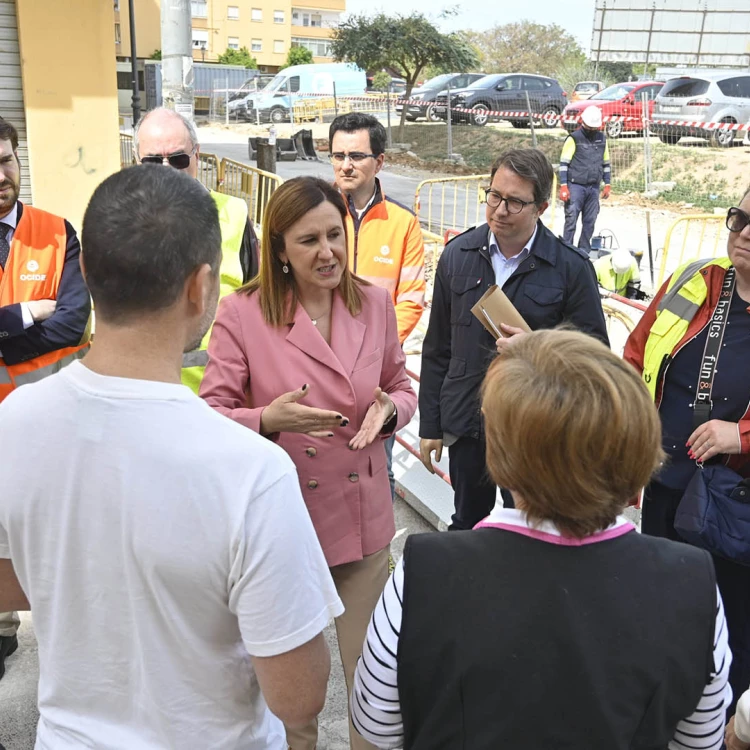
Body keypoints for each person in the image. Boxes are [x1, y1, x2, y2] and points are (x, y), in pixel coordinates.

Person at [0, 165, 342, 747]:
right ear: (199, 286)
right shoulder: (249, 471)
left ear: (85, 270)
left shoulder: (13, 424)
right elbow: (299, 696)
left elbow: (11, 587)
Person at [353, 328, 732, 750]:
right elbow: (699, 740)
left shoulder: (423, 571)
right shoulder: (693, 585)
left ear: (499, 455)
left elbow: (375, 729)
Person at [200, 176, 417, 750]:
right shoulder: (242, 313)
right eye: (308, 241)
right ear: (278, 250)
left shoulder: (373, 300)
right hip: (283, 524)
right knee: (292, 692)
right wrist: (268, 420)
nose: (327, 253)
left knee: (371, 684)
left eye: (334, 236)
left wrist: (392, 409)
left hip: (363, 518)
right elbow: (210, 412)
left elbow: (400, 381)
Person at [419, 148, 608, 531]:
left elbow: (597, 360)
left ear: (540, 206)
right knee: (466, 523)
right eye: (494, 195)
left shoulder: (570, 269)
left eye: (515, 202)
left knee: (530, 528)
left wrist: (537, 351)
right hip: (467, 421)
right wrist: (431, 425)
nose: (500, 210)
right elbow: (437, 347)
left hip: (532, 427)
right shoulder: (458, 255)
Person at [624, 191, 750, 713]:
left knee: (733, 628)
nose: (744, 232)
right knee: (660, 610)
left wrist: (739, 436)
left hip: (734, 505)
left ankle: (727, 724)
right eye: (740, 218)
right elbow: (635, 356)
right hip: (665, 484)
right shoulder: (695, 280)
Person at [0, 118, 91, 680]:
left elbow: (72, 325)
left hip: (45, 422)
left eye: (5, 160)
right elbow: (44, 320)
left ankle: (69, 626)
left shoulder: (56, 232)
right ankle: (3, 628)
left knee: (55, 533)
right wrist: (20, 316)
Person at [329, 112, 426, 498]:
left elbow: (412, 300)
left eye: (356, 155)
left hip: (376, 371)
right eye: (338, 156)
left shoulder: (402, 223)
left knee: (375, 469)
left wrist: (370, 351)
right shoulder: (314, 212)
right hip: (317, 361)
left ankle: (377, 555)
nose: (345, 165)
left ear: (379, 162)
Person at [134, 107, 259, 392]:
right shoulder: (119, 222)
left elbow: (257, 306)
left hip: (222, 399)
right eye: (153, 161)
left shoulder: (235, 215)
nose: (167, 171)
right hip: (145, 397)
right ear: (137, 161)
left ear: (196, 155)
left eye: (178, 159)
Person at [559, 105, 611, 253]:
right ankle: (566, 250)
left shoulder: (602, 139)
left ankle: (583, 252)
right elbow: (564, 164)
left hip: (593, 188)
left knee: (590, 222)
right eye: (590, 126)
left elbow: (606, 163)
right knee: (571, 220)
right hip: (575, 186)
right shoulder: (574, 139)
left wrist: (607, 184)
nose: (592, 129)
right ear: (583, 122)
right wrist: (564, 186)